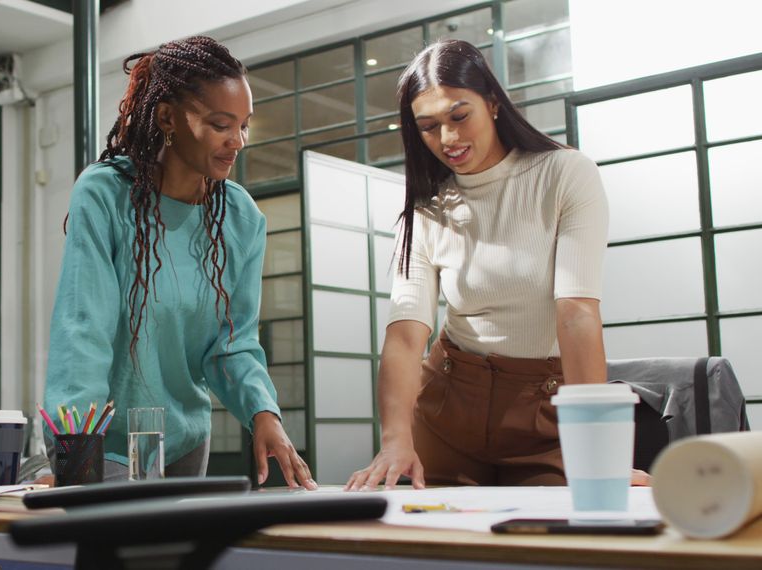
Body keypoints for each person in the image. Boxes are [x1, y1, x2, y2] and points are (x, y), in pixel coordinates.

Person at [346, 39, 649, 489]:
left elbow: (577, 314)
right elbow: (406, 336)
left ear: (492, 103)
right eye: (428, 127)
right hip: (447, 406)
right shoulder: (426, 209)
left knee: (555, 545)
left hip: (542, 414)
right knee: (433, 546)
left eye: (458, 116)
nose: (447, 139)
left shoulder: (564, 173)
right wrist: (395, 439)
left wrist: (598, 449)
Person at [44, 36, 315, 489]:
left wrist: (263, 412)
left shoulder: (242, 218)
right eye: (220, 124)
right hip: (98, 440)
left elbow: (233, 342)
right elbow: (83, 326)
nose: (238, 141)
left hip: (184, 442)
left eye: (244, 125)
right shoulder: (105, 194)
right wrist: (77, 450)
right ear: (167, 117)